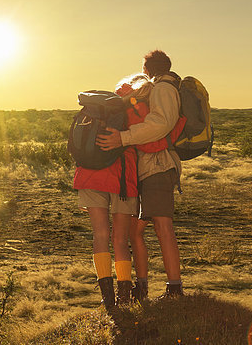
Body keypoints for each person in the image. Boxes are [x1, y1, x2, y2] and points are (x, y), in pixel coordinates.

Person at [96, 50, 184, 299]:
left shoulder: (164, 89)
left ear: (147, 69)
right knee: (135, 230)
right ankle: (142, 286)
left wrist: (123, 138)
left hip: (158, 165)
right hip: (143, 168)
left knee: (162, 226)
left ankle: (174, 288)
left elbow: (161, 124)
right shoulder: (156, 89)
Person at [73, 75, 148, 308]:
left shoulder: (95, 111)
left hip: (90, 174)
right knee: (120, 239)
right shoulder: (138, 108)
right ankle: (124, 295)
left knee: (100, 235)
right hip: (122, 178)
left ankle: (107, 298)